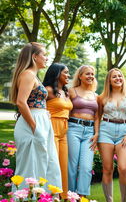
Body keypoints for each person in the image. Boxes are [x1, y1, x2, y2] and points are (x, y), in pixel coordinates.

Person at [10, 42, 61, 190]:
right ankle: (24, 198)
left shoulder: (33, 76)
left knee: (46, 164)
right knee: (30, 168)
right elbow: (21, 102)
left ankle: (43, 197)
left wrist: (44, 113)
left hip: (40, 122)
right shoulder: (27, 74)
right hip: (31, 125)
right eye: (44, 55)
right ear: (34, 57)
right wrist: (34, 126)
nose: (46, 58)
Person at [97, 68, 126, 202]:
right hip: (106, 131)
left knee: (123, 167)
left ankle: (123, 200)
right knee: (107, 168)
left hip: (125, 130)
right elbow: (97, 117)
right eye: (114, 77)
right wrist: (97, 133)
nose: (118, 79)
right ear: (109, 80)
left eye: (120, 76)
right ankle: (109, 200)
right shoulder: (102, 97)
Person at [67, 65, 99, 197]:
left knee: (86, 167)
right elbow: (66, 110)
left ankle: (82, 196)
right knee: (72, 166)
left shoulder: (96, 95)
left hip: (89, 132)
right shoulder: (72, 91)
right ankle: (70, 195)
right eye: (87, 74)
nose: (90, 76)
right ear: (80, 76)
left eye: (92, 74)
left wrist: (96, 133)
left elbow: (97, 116)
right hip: (73, 129)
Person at [43, 63, 73, 199]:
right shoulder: (47, 90)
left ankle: (64, 197)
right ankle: (50, 196)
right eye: (65, 72)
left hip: (64, 133)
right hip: (51, 131)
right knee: (52, 166)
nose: (68, 75)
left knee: (62, 166)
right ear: (56, 74)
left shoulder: (66, 92)